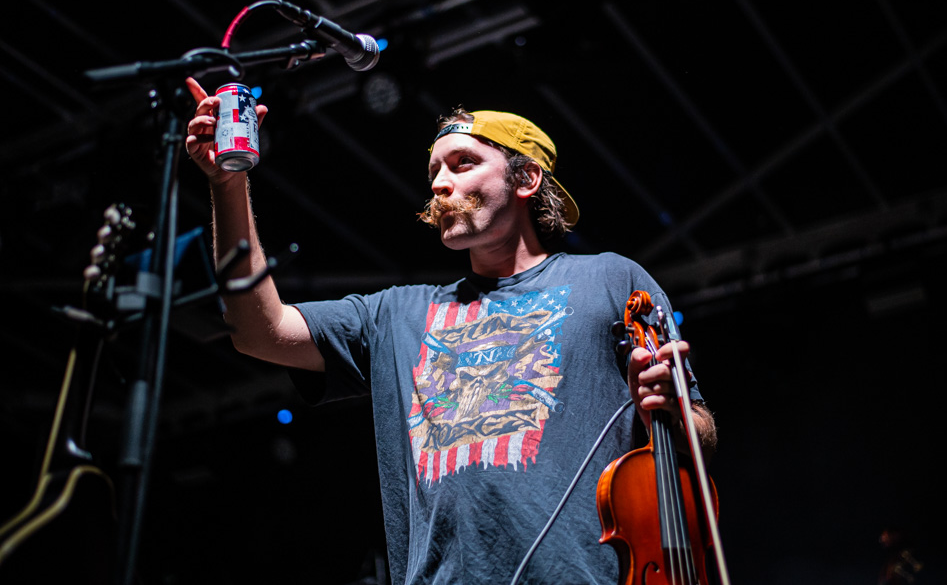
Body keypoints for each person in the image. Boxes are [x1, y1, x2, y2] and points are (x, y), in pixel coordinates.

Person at [184, 77, 718, 584]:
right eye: (435, 171)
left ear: (526, 179)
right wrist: (228, 185)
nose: (440, 184)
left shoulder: (609, 278)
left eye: (463, 164)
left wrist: (671, 412)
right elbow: (258, 329)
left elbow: (700, 434)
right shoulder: (395, 314)